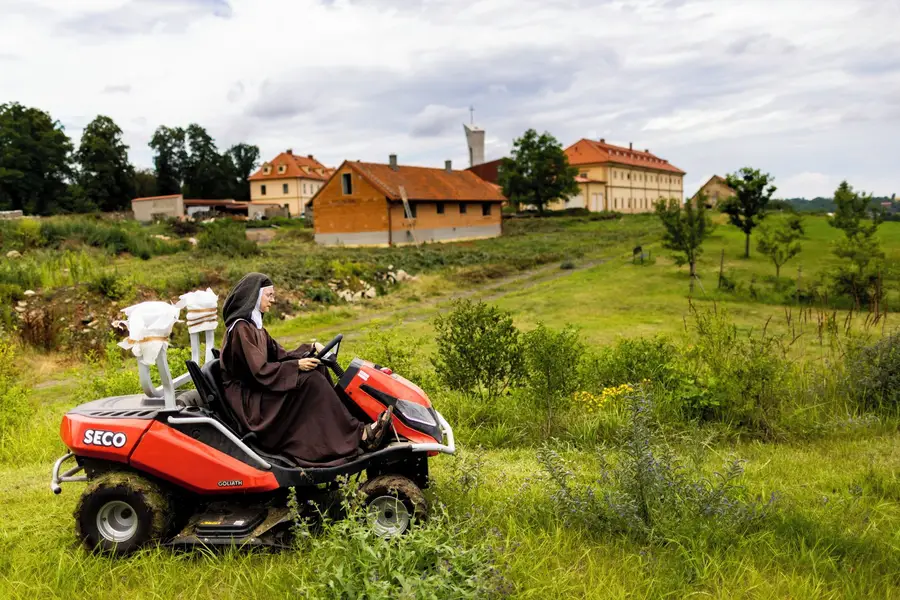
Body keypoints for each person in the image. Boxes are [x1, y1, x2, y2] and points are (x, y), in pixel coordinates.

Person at [219, 273, 393, 467]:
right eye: (269, 295)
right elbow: (260, 372)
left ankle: (341, 433)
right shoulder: (242, 329)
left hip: (258, 389)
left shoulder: (254, 326)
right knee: (312, 381)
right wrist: (296, 366)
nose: (273, 300)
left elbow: (279, 354)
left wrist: (310, 348)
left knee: (319, 371)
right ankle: (359, 434)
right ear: (254, 296)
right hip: (251, 403)